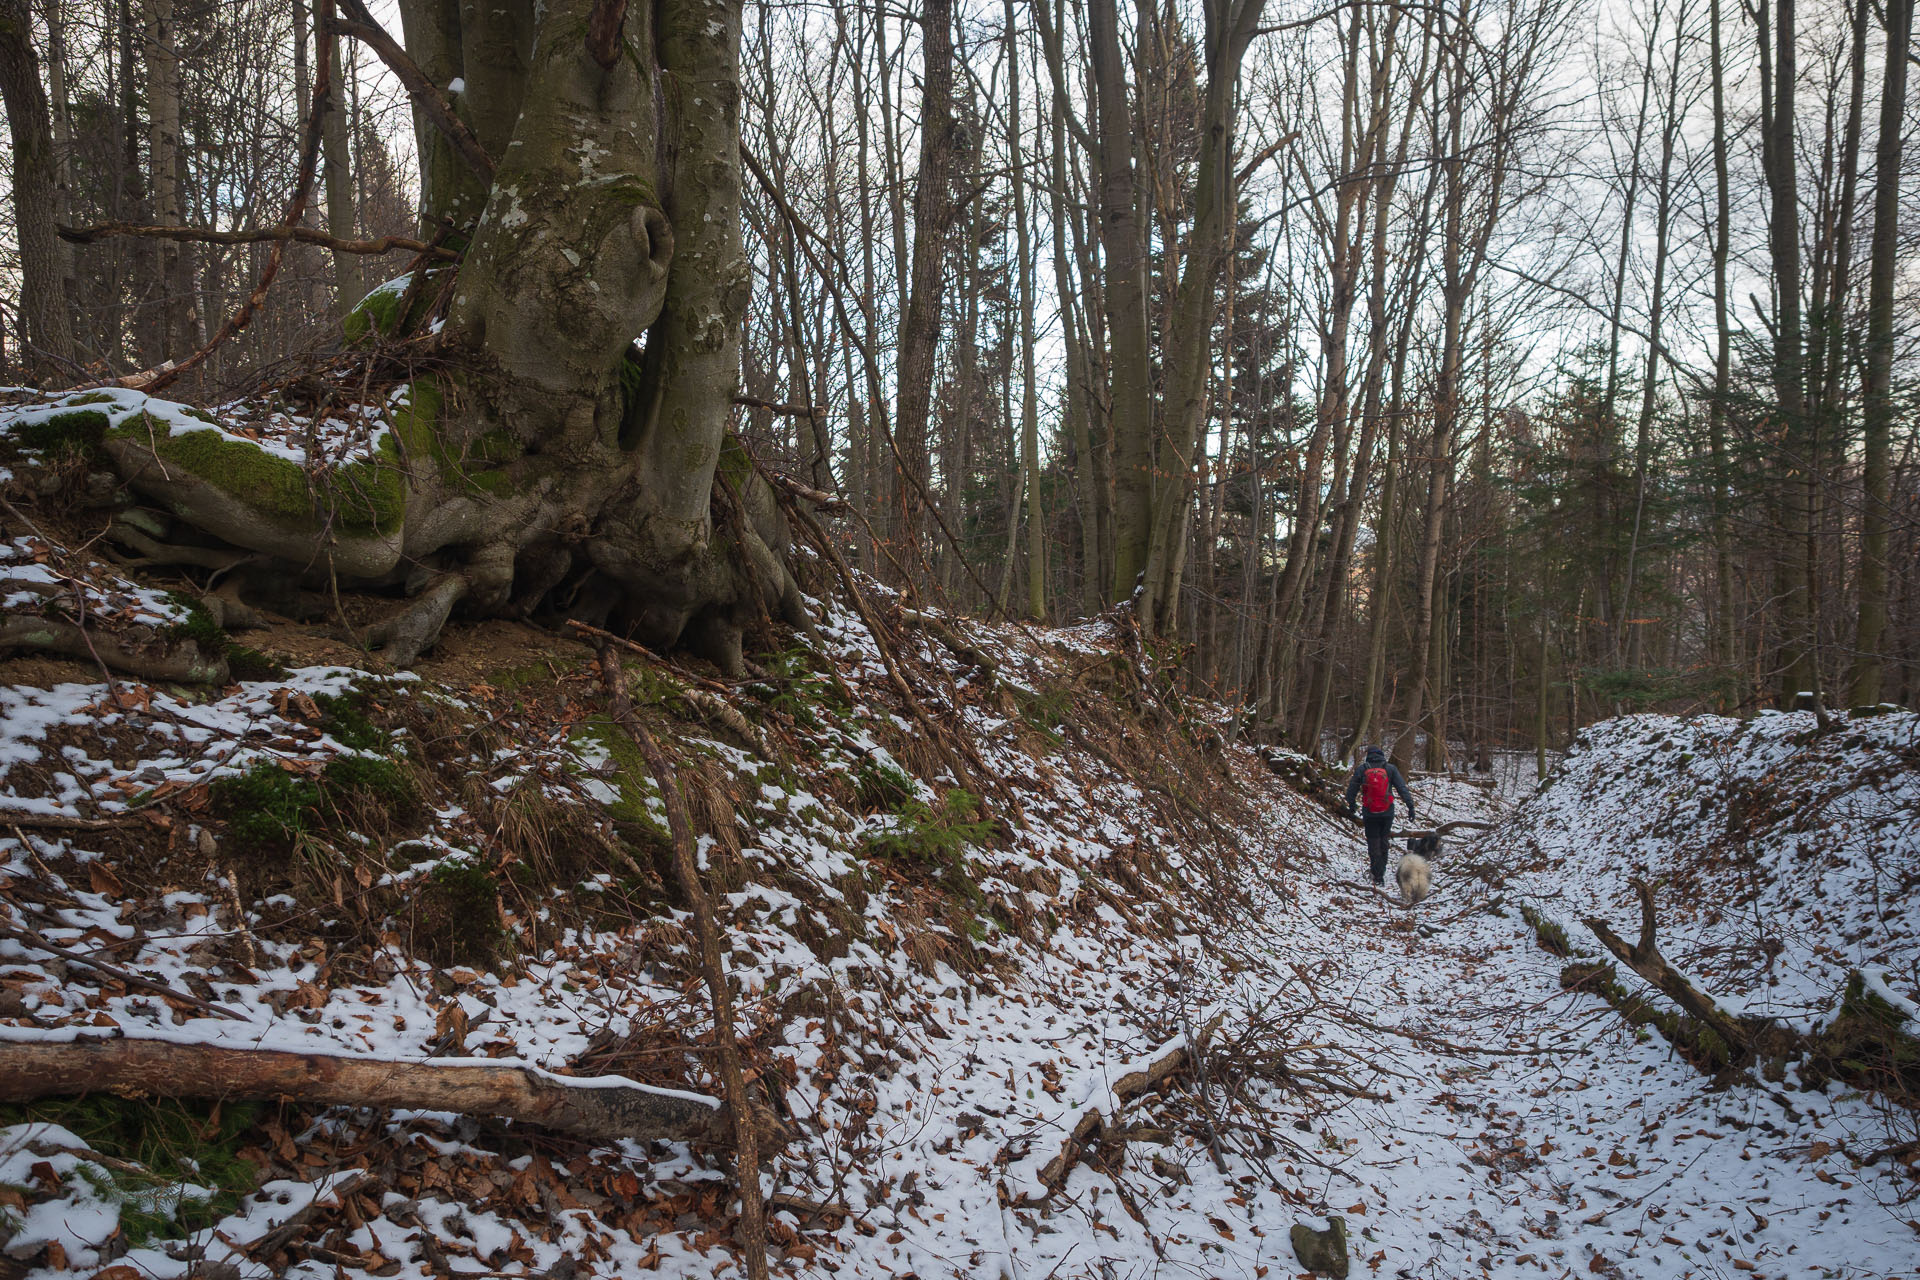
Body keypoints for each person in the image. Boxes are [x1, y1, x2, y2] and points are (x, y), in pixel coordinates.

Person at [1343, 745, 1415, 887]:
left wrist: (1351, 804)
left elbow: (1352, 789)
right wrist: (1410, 806)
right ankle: (1381, 870)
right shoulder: (1390, 769)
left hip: (1369, 812)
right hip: (1387, 811)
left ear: (1368, 755)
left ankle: (1377, 875)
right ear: (1382, 755)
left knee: (1373, 841)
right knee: (1384, 839)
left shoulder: (1362, 769)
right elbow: (1402, 788)